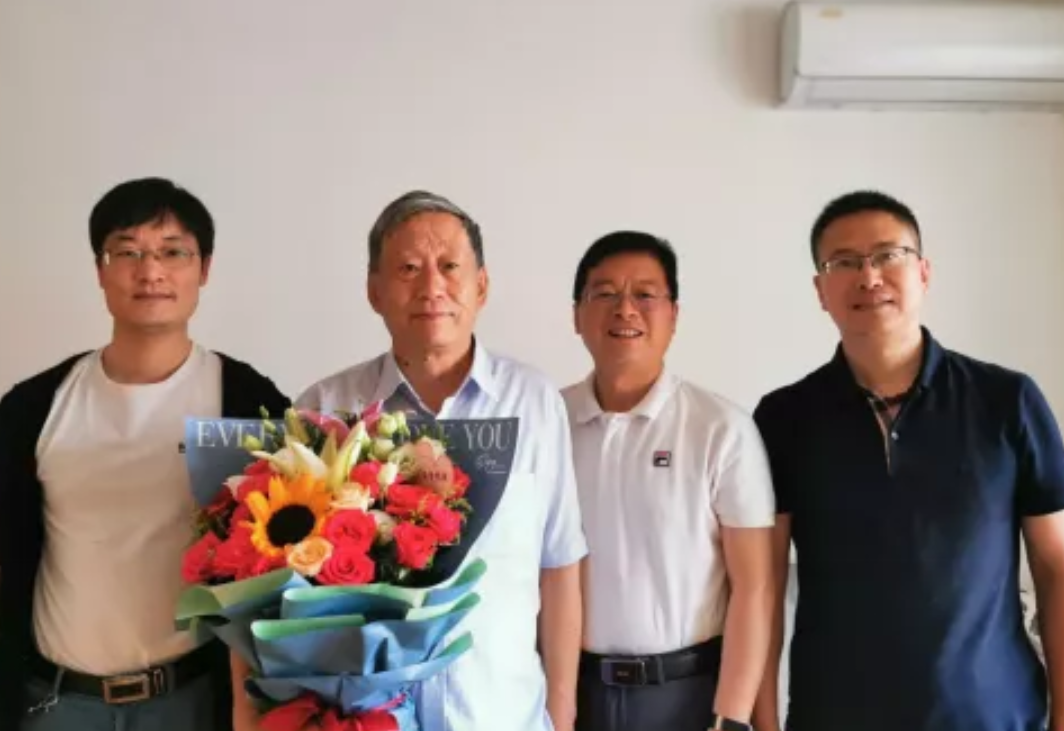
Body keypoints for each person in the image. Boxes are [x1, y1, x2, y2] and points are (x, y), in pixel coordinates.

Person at [268, 189, 587, 731]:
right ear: (374, 290)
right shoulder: (324, 408)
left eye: (449, 267)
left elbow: (559, 564)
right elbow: (286, 589)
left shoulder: (533, 401)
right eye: (409, 268)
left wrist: (561, 709)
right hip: (366, 720)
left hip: (503, 716)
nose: (432, 287)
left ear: (481, 286)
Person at [751, 190, 1064, 731]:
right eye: (844, 263)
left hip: (994, 714)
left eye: (887, 255)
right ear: (820, 290)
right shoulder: (784, 418)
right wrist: (762, 721)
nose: (869, 276)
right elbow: (763, 584)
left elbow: (1056, 566)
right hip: (836, 716)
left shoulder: (1007, 401)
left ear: (923, 272)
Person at [0, 177, 291, 731]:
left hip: (191, 699)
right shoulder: (36, 406)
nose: (151, 271)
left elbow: (275, 570)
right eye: (128, 252)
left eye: (173, 252)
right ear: (100, 269)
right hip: (57, 703)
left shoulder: (247, 403)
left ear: (204, 269)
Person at [562, 231, 775, 731]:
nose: (625, 309)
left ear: (673, 315)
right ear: (577, 315)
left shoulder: (721, 428)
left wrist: (731, 718)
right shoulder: (548, 421)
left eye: (645, 294)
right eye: (605, 293)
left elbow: (755, 586)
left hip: (688, 695)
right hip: (574, 693)